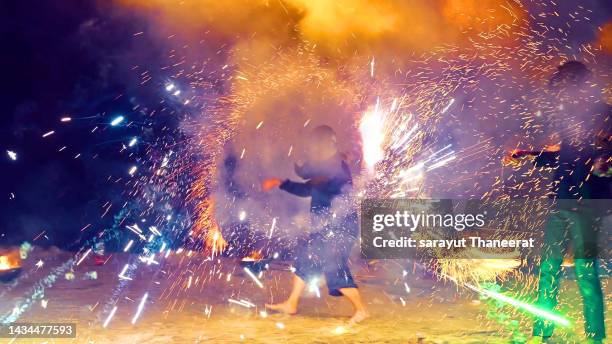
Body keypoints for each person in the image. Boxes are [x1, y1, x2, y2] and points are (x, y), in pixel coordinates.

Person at [504, 61, 611, 344]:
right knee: (548, 266)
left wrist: (606, 165)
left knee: (586, 270)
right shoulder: (569, 115)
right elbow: (564, 155)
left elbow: (606, 157)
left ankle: (595, 338)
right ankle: (542, 333)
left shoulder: (604, 114)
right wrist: (529, 154)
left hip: (588, 206)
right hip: (560, 202)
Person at [261, 125, 369, 325]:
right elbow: (308, 184)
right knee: (306, 261)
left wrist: (288, 175)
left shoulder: (334, 165)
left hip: (340, 228)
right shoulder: (329, 164)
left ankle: (361, 310)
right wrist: (284, 179)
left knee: (334, 268)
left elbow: (306, 180)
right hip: (327, 227)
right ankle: (291, 304)